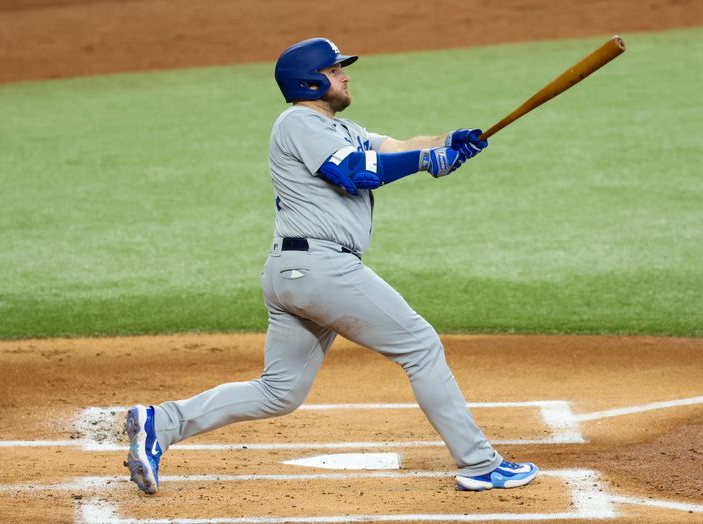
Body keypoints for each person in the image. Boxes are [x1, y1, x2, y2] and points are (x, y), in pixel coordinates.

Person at [125, 37, 538, 495]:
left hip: (297, 270)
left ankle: (160, 423)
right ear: (311, 80)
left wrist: (449, 142)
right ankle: (480, 463)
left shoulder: (339, 128)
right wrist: (425, 160)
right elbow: (356, 172)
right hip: (319, 269)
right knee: (420, 345)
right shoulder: (298, 122)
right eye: (336, 69)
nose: (344, 75)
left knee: (278, 392)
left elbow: (395, 146)